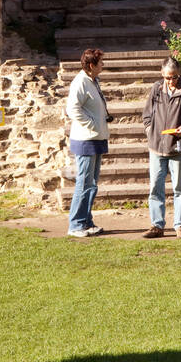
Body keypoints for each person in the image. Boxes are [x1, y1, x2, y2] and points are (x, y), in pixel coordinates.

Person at [142, 56, 181, 239]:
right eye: (168, 77)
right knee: (155, 188)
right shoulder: (156, 89)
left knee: (179, 188)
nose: (171, 81)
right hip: (156, 147)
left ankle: (180, 225)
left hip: (178, 148)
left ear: (180, 74)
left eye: (174, 77)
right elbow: (146, 115)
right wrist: (150, 131)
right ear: (162, 74)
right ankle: (157, 226)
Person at [65, 47, 108, 238]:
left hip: (96, 137)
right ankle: (75, 225)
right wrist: (91, 123)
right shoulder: (80, 82)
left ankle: (86, 221)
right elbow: (72, 109)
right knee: (83, 182)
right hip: (86, 139)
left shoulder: (92, 81)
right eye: (101, 63)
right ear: (91, 65)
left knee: (92, 182)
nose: (103, 66)